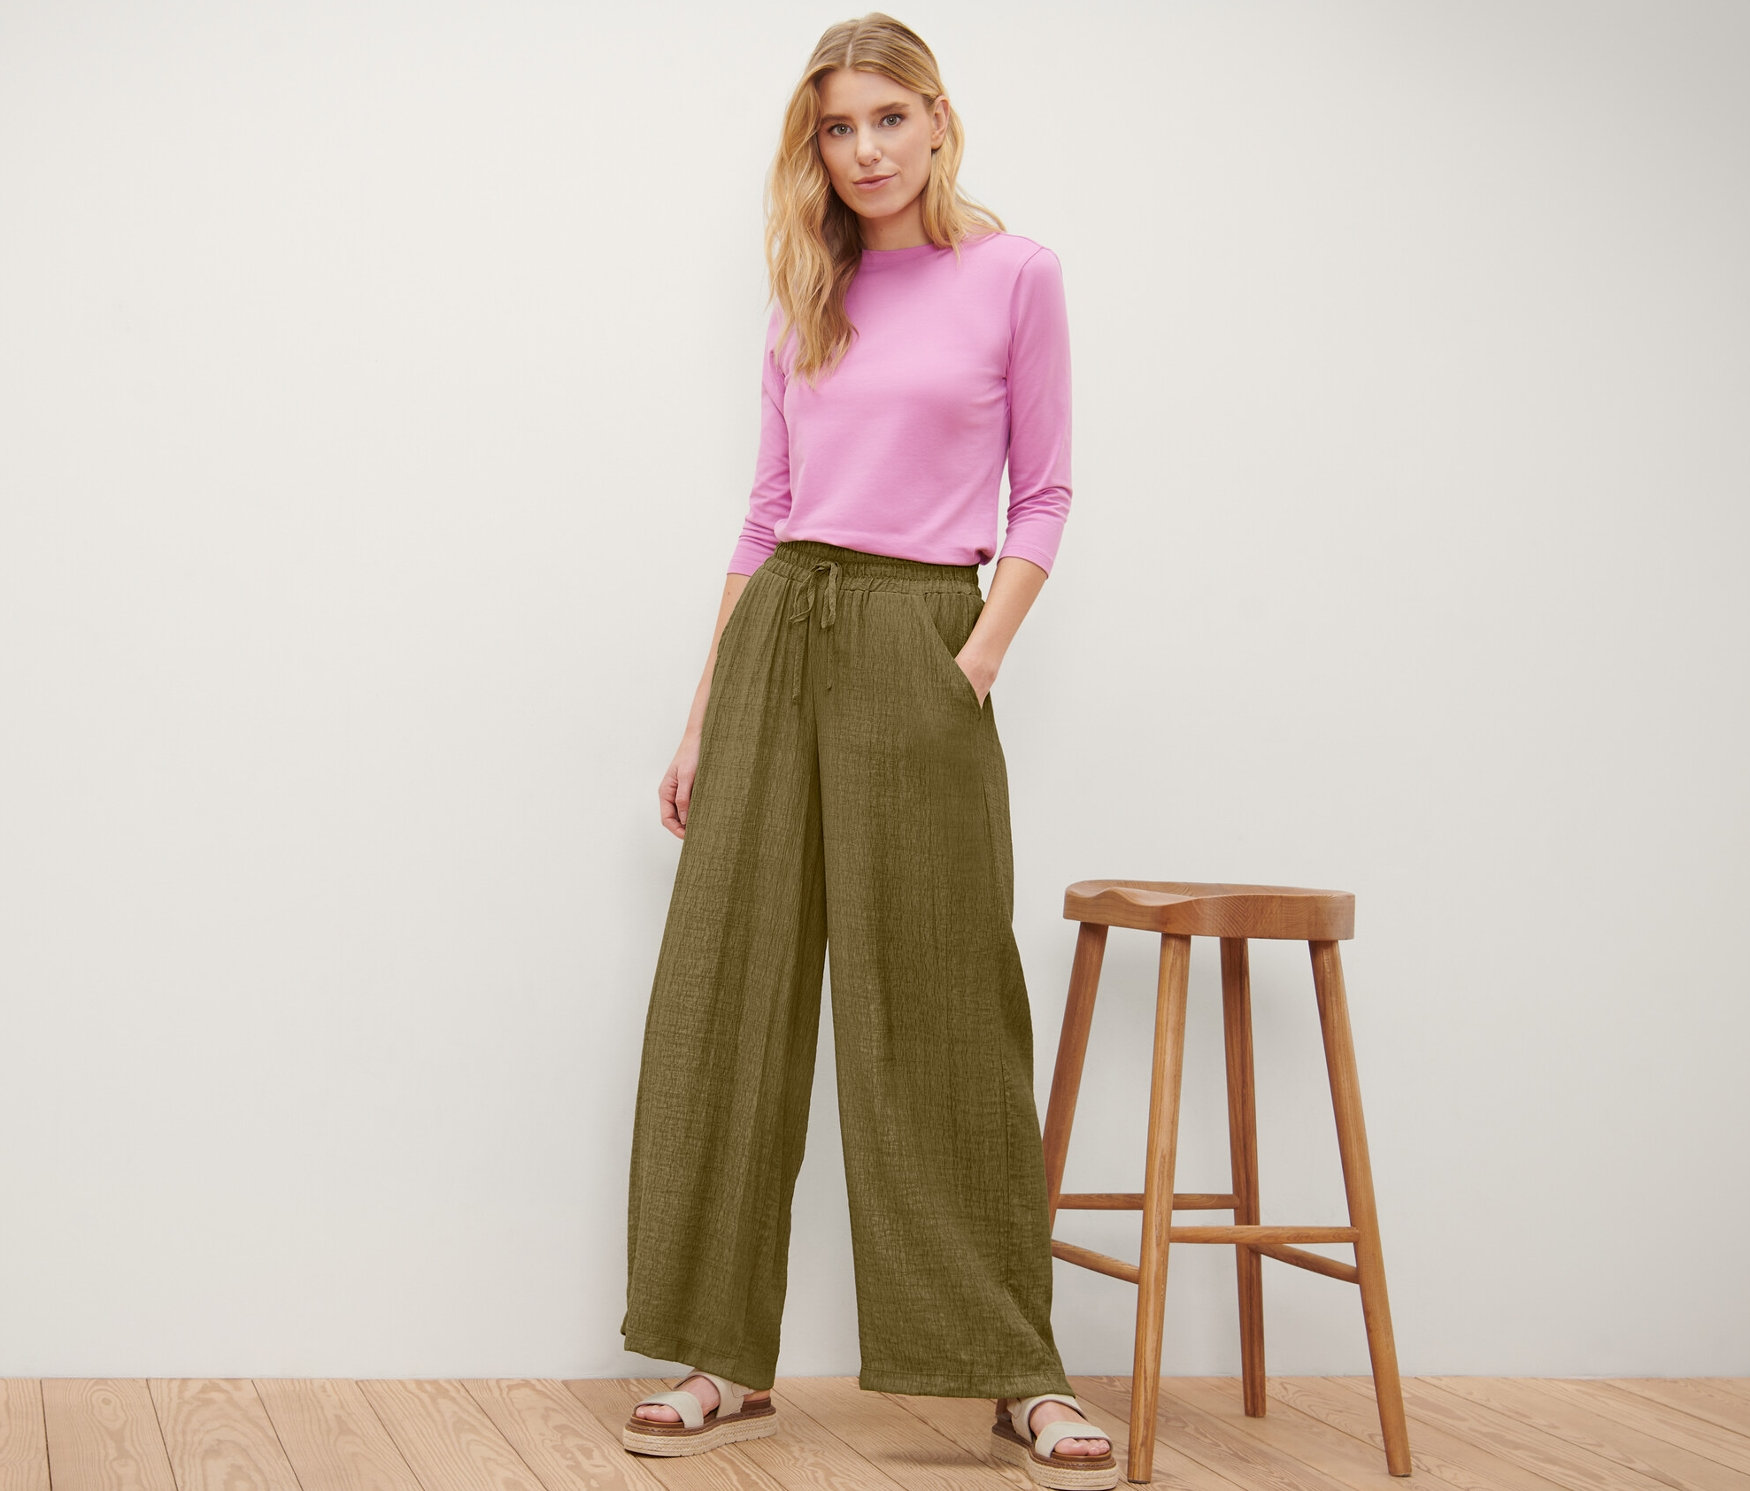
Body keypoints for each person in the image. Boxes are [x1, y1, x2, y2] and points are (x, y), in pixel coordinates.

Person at [618, 14, 1118, 1488]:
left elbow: (1048, 490)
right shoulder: (808, 295)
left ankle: (1014, 1373)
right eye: (837, 129)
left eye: (888, 119)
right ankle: (720, 1356)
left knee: (942, 1003)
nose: (866, 152)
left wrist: (970, 658)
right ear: (814, 149)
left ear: (938, 119)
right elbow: (765, 514)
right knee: (731, 986)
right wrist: (703, 713)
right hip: (781, 633)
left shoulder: (1013, 273)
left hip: (919, 638)